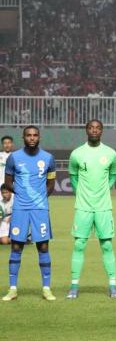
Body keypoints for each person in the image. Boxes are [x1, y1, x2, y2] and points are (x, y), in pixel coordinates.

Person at [66, 120, 116, 299]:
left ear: (102, 131)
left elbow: (113, 175)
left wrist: (103, 192)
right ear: (86, 130)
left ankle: (113, 286)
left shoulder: (110, 153)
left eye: (97, 128)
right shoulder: (77, 154)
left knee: (106, 245)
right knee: (79, 244)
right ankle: (74, 286)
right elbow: (73, 177)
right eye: (91, 128)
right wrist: (82, 194)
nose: (94, 130)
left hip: (103, 207)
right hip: (83, 207)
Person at [2, 126, 56, 301]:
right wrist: (22, 193)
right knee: (16, 246)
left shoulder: (48, 158)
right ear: (23, 137)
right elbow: (8, 182)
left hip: (40, 209)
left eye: (35, 135)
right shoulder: (14, 157)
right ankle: (12, 289)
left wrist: (40, 198)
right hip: (20, 209)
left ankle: (46, 288)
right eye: (28, 135)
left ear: (39, 137)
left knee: (43, 246)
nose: (32, 138)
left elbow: (51, 183)